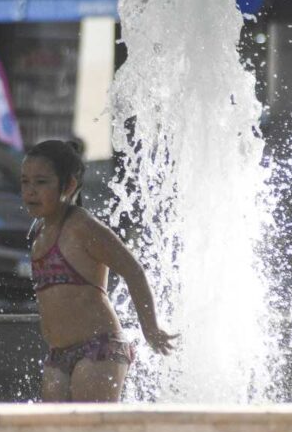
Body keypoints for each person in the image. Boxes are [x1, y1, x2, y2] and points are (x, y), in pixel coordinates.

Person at [22, 140, 177, 402]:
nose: (30, 191)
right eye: (24, 182)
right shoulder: (39, 233)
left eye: (41, 182)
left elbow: (133, 270)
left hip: (98, 350)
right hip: (58, 355)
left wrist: (149, 328)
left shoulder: (82, 226)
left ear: (68, 186)